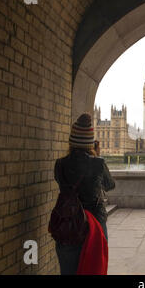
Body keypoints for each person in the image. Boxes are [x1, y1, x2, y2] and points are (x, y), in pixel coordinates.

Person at [54, 113, 115, 275]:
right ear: (90, 142)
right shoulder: (98, 163)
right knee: (95, 270)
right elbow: (110, 185)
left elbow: (63, 184)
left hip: (68, 223)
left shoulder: (60, 164)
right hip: (94, 223)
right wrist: (97, 155)